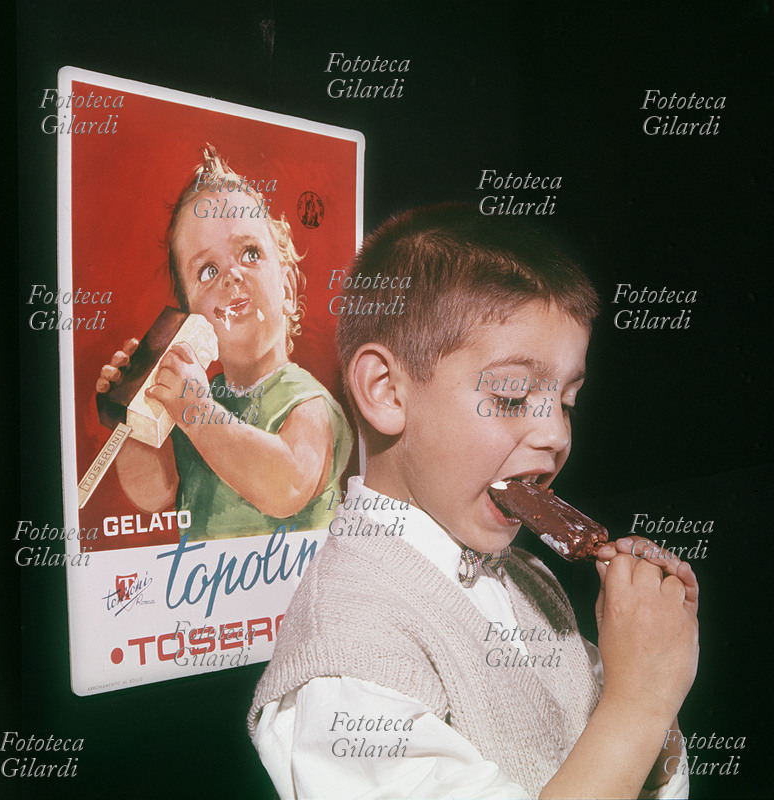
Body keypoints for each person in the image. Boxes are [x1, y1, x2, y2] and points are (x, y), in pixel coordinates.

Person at [248, 205, 699, 798]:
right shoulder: (347, 659)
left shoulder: (529, 579)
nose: (557, 435)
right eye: (512, 394)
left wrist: (646, 659)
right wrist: (640, 698)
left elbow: (611, 757)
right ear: (385, 391)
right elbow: (625, 718)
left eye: (566, 400)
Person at [96, 146, 352, 539]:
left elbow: (288, 487)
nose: (230, 275)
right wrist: (138, 407)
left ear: (286, 289)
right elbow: (150, 493)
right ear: (191, 320)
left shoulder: (307, 402)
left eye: (250, 253)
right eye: (207, 270)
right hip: (207, 595)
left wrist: (196, 412)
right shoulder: (196, 399)